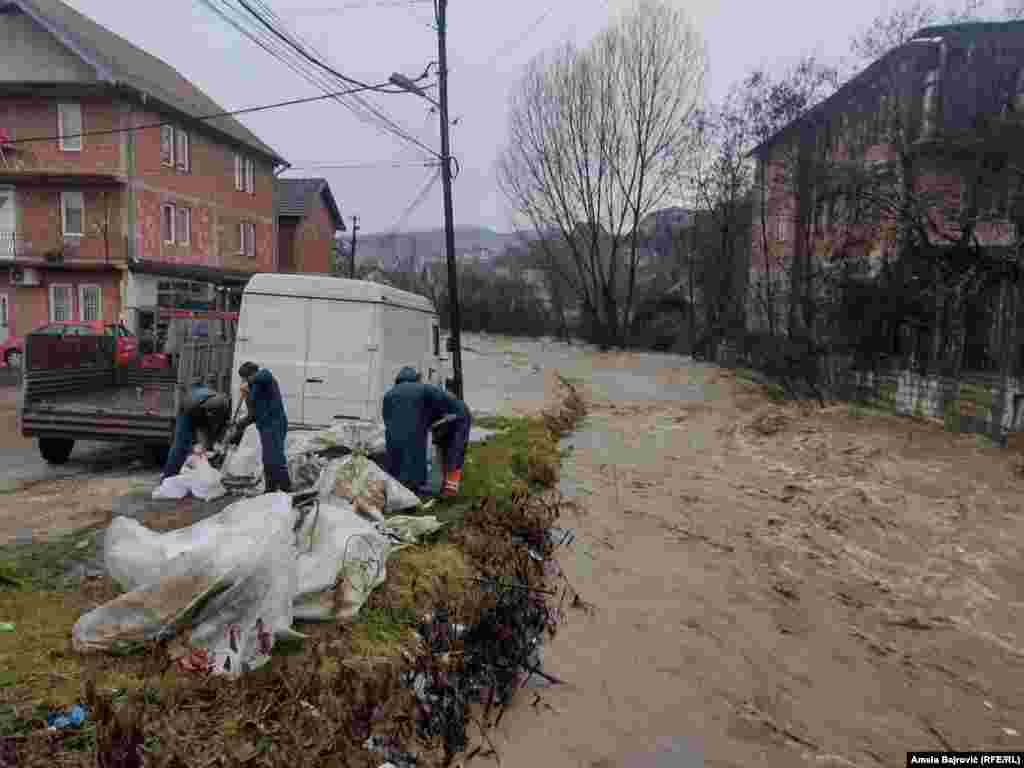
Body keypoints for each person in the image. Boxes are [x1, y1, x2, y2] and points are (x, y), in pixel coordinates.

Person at [382, 367, 472, 497]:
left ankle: (404, 486)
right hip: (459, 415)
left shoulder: (388, 395)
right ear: (417, 379)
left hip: (398, 442)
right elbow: (450, 404)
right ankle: (449, 487)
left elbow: (388, 421)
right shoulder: (425, 389)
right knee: (452, 447)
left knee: (402, 449)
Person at [231, 361, 292, 493]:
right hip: (264, 427)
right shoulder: (252, 390)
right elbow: (252, 415)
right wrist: (238, 424)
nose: (243, 380)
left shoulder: (265, 378)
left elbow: (263, 375)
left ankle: (286, 488)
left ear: (250, 375)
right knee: (267, 459)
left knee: (275, 457)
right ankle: (270, 488)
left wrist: (250, 382)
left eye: (244, 377)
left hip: (275, 424)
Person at [162, 384, 232, 480]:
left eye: (211, 415)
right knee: (181, 445)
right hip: (187, 411)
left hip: (202, 404)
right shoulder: (191, 407)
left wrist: (218, 442)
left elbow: (222, 426)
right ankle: (169, 476)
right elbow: (193, 429)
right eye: (208, 413)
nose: (210, 416)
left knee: (208, 446)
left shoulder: (224, 406)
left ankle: (208, 474)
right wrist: (195, 444)